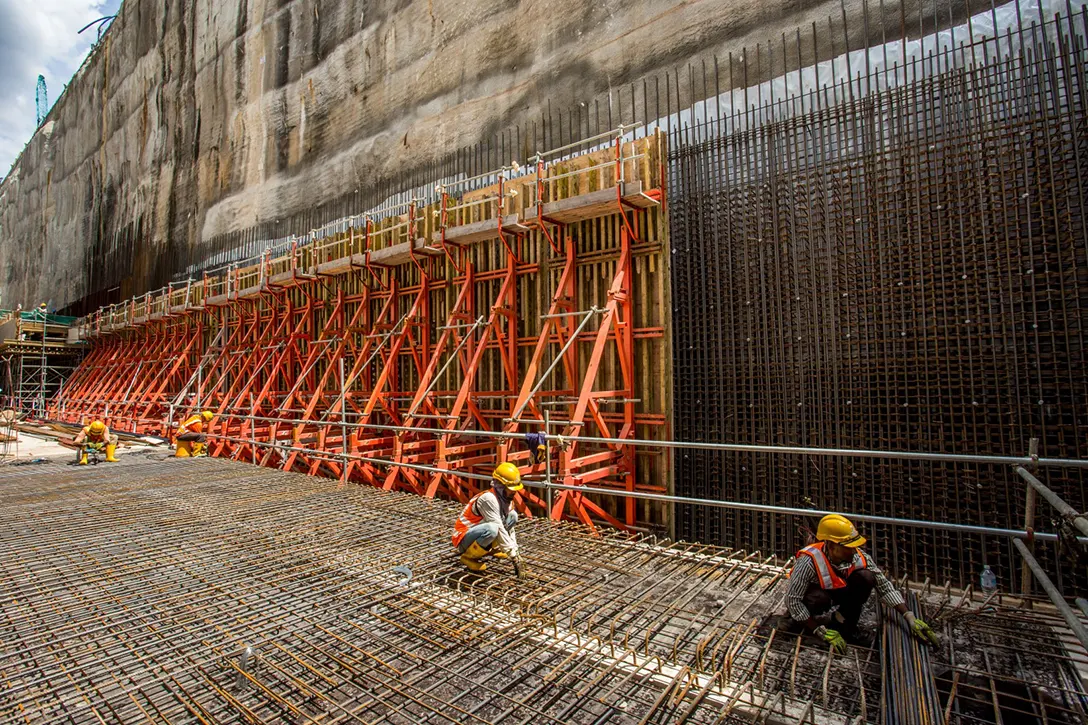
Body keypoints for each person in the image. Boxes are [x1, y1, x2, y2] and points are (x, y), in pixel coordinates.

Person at [784, 514, 939, 652]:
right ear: (831, 546)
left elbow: (884, 587)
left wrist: (909, 616)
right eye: (847, 547)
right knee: (817, 599)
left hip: (835, 592)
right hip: (814, 598)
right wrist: (818, 630)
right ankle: (803, 624)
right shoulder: (808, 561)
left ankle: (843, 624)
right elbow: (792, 599)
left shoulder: (857, 557)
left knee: (866, 578)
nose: (853, 551)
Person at [451, 462, 523, 572]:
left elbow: (510, 529)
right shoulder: (488, 499)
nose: (514, 491)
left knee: (513, 516)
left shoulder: (506, 500)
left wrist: (515, 550)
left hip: (479, 532)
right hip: (464, 537)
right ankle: (468, 557)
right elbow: (498, 526)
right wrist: (512, 554)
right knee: (492, 529)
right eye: (511, 488)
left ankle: (490, 548)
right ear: (500, 486)